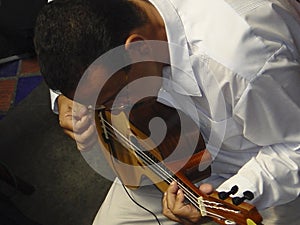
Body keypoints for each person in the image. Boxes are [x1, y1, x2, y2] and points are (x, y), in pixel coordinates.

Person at [34, 0, 300, 224]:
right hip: (171, 155)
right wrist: (68, 99)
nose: (116, 111)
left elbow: (294, 148)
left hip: (263, 174)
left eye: (114, 98)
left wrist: (229, 194)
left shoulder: (244, 64)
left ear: (138, 48)